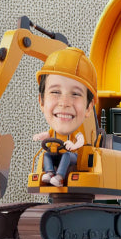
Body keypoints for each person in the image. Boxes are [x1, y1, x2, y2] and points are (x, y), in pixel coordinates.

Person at [34, 47, 98, 188]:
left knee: (67, 156)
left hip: (72, 156)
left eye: (75, 94)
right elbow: (47, 135)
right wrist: (40, 136)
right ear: (41, 101)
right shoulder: (53, 131)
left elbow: (80, 140)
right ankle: (50, 173)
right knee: (46, 155)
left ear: (89, 107)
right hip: (55, 154)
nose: (64, 103)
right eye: (55, 92)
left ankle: (60, 177)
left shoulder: (75, 132)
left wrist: (74, 146)